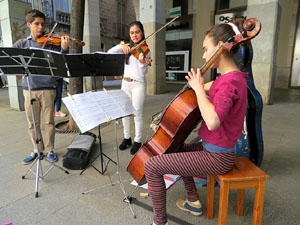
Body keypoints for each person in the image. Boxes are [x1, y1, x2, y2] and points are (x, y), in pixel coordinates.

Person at [144, 20, 249, 225]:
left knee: (152, 166)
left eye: (205, 49)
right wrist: (166, 119)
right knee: (174, 149)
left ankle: (159, 222)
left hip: (217, 157)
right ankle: (193, 201)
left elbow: (212, 121)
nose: (203, 55)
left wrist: (199, 89)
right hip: (215, 150)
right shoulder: (229, 78)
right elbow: (202, 90)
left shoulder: (230, 82)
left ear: (221, 47)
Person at [13, 9, 71, 164]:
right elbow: (11, 60)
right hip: (29, 89)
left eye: (42, 24)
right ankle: (37, 150)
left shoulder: (51, 44)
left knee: (49, 122)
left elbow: (61, 64)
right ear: (29, 24)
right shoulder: (22, 43)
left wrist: (64, 49)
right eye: (36, 24)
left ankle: (49, 149)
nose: (40, 27)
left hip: (48, 88)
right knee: (32, 124)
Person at [107, 21, 151, 155]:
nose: (135, 35)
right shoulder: (126, 47)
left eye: (137, 32)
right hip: (125, 84)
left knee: (137, 113)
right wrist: (121, 45)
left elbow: (143, 73)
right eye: (132, 33)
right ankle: (127, 138)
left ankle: (138, 141)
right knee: (124, 112)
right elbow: (109, 52)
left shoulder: (145, 50)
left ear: (142, 32)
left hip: (138, 84)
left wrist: (142, 62)